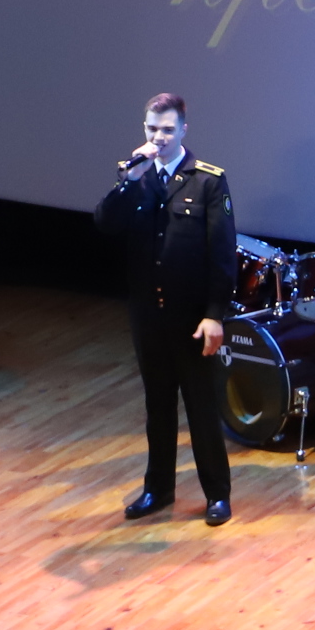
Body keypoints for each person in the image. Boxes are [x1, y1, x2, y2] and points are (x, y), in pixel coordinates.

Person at [93, 92, 238, 526]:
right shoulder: (137, 177)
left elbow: (222, 255)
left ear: (183, 131)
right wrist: (127, 181)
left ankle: (217, 494)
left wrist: (215, 314)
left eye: (168, 130)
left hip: (191, 315)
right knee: (158, 407)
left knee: (201, 407)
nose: (159, 138)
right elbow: (104, 223)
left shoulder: (207, 181)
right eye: (153, 129)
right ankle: (158, 489)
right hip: (148, 314)